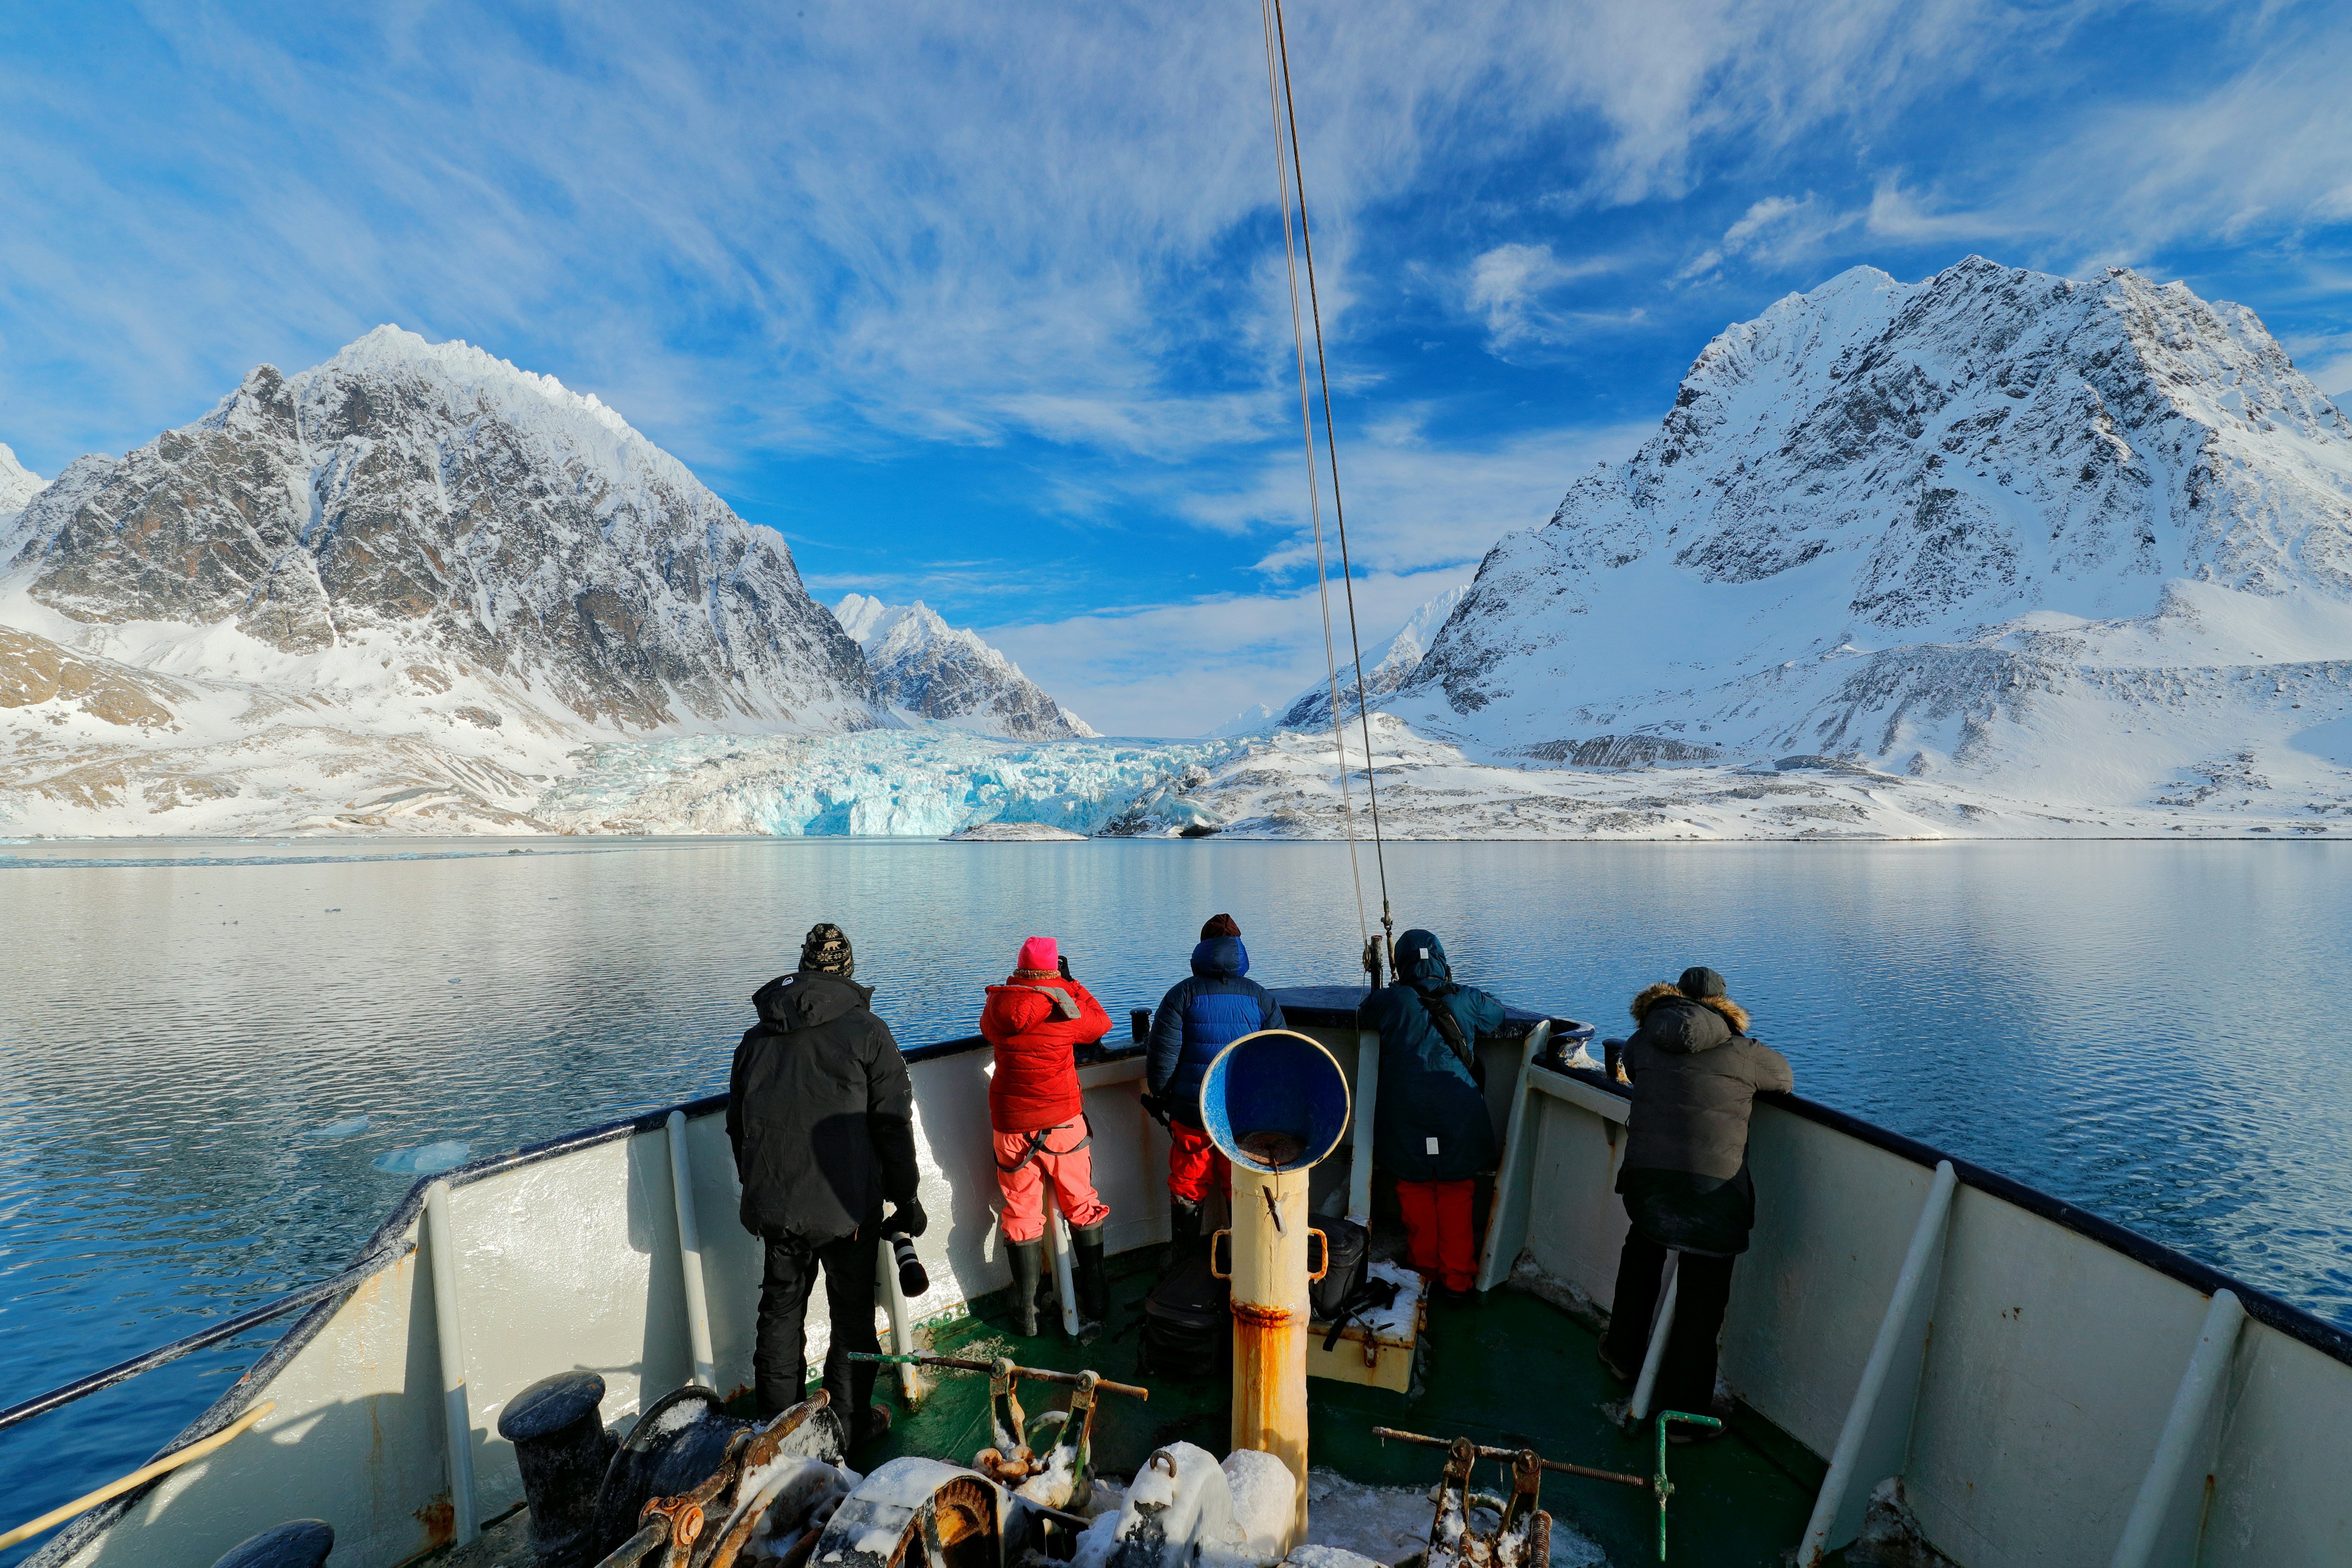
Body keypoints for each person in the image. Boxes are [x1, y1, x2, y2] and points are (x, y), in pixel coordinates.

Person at [726, 922, 924, 1447]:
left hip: (777, 1206)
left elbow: (738, 1125)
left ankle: (778, 1438)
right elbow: (892, 1125)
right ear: (847, 970)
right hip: (846, 1209)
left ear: (807, 967)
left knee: (780, 1314)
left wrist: (760, 1185)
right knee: (853, 1315)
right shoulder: (868, 1033)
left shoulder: (756, 1039)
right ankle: (847, 1427)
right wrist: (906, 1199)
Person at [1598, 966, 1793, 1441]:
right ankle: (1685, 1416)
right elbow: (1784, 1079)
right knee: (1702, 1297)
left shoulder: (1643, 1040)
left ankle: (1623, 1355)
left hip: (1647, 1185)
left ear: (1676, 998)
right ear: (1725, 1005)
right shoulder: (1744, 1052)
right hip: (1712, 1195)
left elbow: (1632, 1062)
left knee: (1642, 1252)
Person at [1359, 928, 1506, 1303]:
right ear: (1442, 961)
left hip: (1407, 1115)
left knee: (1414, 1188)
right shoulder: (1466, 999)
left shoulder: (1392, 1002)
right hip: (1458, 1113)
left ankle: (1421, 1273)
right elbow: (1497, 1015)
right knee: (1456, 1191)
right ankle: (1457, 1281)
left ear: (1402, 963)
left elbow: (1366, 1011)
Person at [980, 936, 1114, 1333]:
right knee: (1081, 1204)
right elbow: (1100, 1025)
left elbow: (995, 1027)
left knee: (1021, 1212)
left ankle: (1026, 1314)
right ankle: (1097, 1298)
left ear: (1020, 968)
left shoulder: (997, 1005)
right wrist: (1071, 985)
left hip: (1011, 1124)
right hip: (1062, 1125)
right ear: (1054, 968)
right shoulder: (1063, 1006)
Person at [1146, 914, 1287, 1262]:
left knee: (1187, 1185)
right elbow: (1279, 1056)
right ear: (1239, 951)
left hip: (1192, 1113)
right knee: (1237, 1185)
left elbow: (1162, 1058)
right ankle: (1242, 1265)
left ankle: (1185, 1266)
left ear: (1201, 950)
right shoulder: (1260, 997)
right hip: (1242, 1116)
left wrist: (1165, 1097)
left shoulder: (1182, 995)